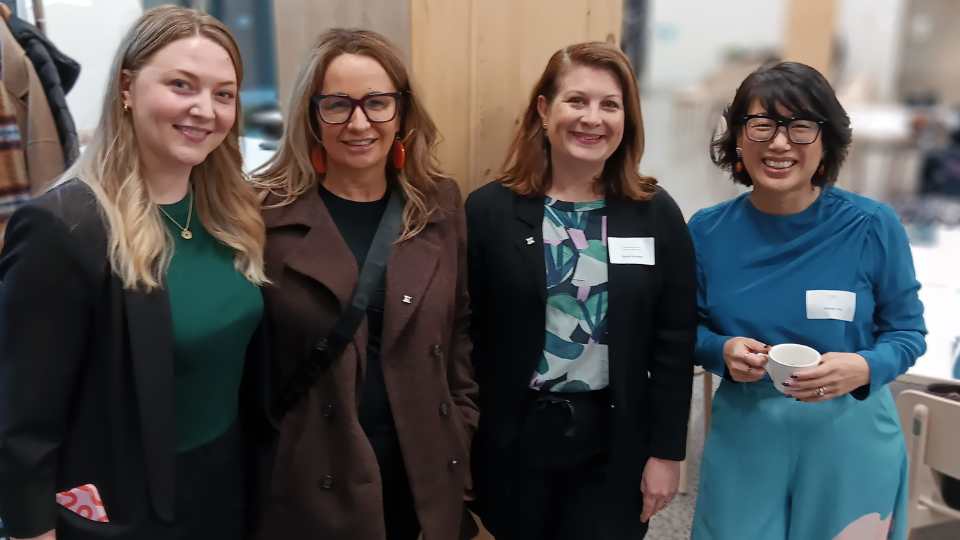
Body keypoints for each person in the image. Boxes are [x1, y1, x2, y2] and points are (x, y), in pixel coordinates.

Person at [0, 6, 268, 540]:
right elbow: (19, 419)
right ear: (127, 87)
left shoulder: (232, 215)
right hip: (126, 507)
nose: (204, 110)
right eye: (181, 85)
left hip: (228, 485)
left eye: (223, 94)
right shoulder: (64, 228)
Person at [251, 29, 477, 540]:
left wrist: (461, 427)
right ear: (312, 115)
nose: (358, 123)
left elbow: (459, 331)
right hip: (313, 478)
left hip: (420, 467)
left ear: (402, 112)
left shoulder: (439, 205)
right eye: (337, 104)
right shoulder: (262, 215)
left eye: (377, 103)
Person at [466, 41, 696, 540]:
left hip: (615, 445)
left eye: (609, 105)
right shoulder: (488, 213)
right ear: (545, 110)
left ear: (626, 120)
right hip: (513, 442)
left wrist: (667, 452)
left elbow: (675, 343)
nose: (592, 118)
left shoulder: (656, 214)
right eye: (577, 100)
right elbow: (463, 336)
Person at [689, 61, 927, 540]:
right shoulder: (707, 231)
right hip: (748, 437)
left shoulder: (872, 226)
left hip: (850, 435)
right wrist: (721, 350)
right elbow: (683, 329)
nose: (779, 143)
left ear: (825, 142)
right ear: (738, 138)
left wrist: (863, 367)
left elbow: (907, 332)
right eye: (762, 125)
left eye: (800, 127)